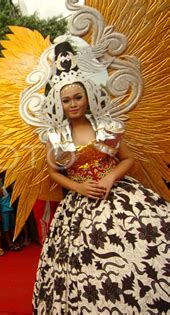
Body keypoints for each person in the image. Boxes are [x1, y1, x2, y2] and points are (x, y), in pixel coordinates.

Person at [33, 42, 169, 314]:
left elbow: (128, 159)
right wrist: (79, 187)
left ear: (88, 96)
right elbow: (53, 172)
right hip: (79, 205)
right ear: (58, 102)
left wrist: (110, 179)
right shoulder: (56, 136)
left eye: (77, 97)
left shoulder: (107, 126)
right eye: (67, 99)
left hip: (119, 195)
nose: (73, 104)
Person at [0, 170, 19, 251]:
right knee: (6, 227)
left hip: (10, 206)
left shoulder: (1, 180)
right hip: (3, 208)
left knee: (13, 225)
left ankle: (14, 241)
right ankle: (9, 243)